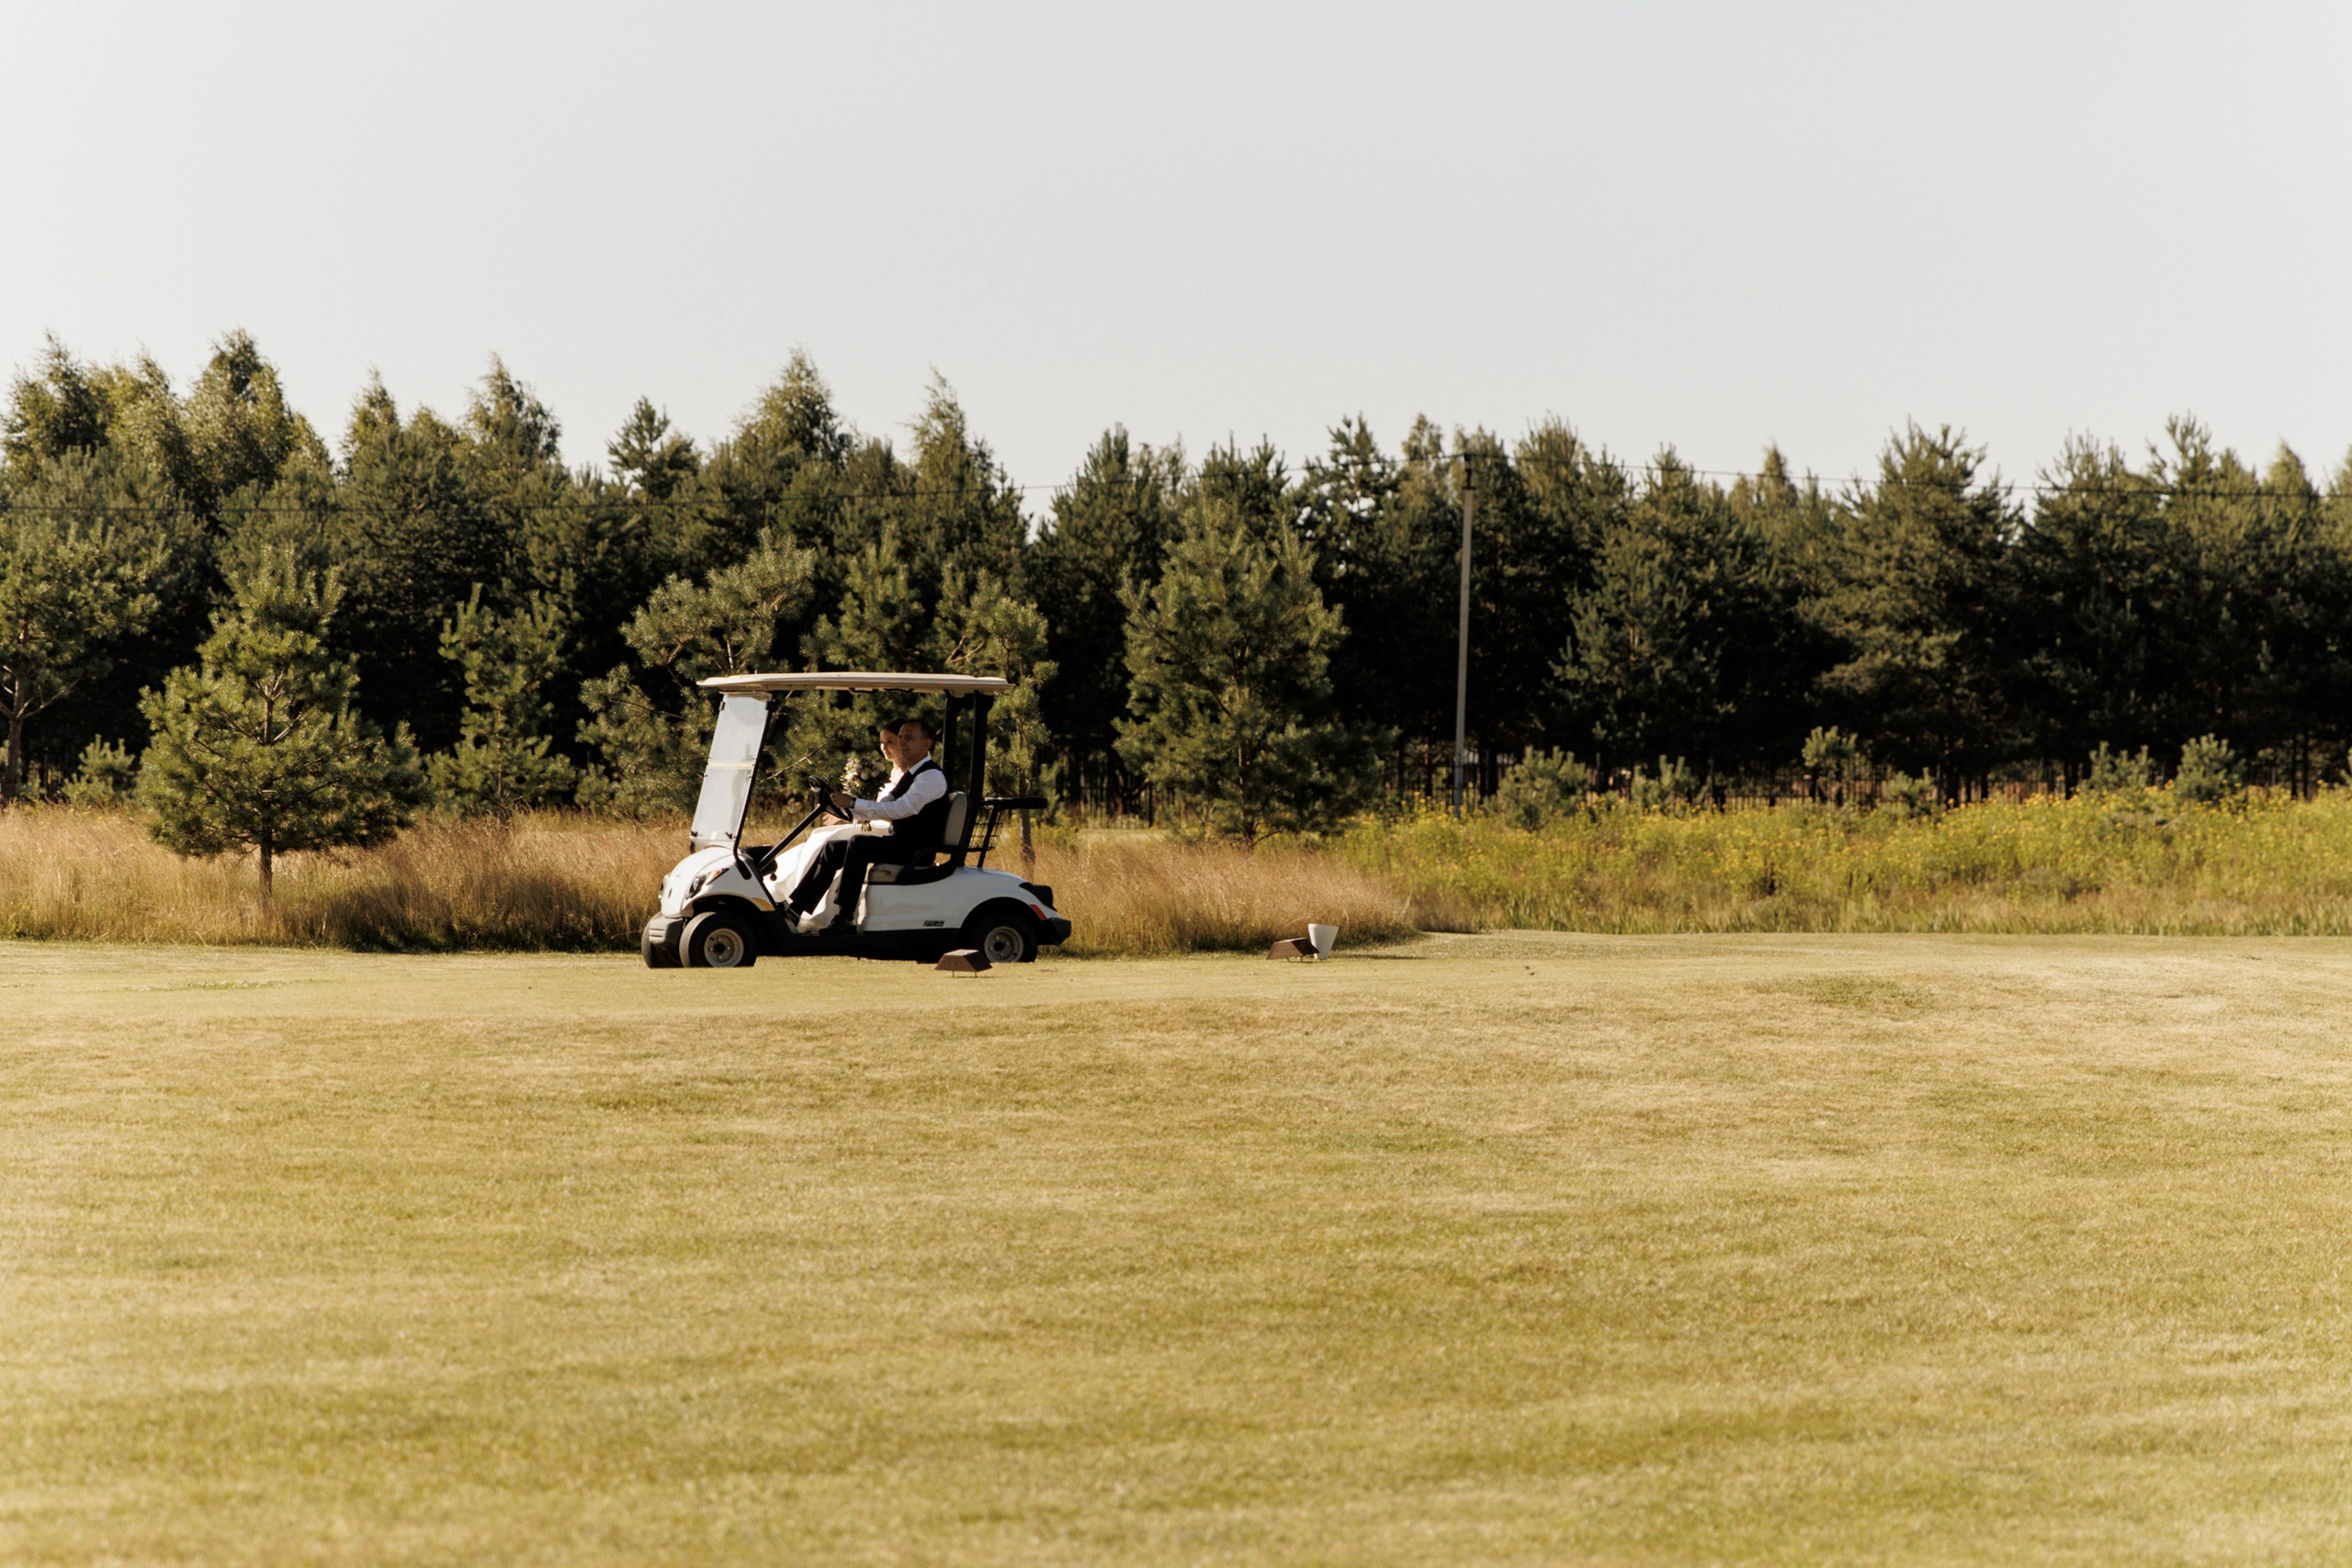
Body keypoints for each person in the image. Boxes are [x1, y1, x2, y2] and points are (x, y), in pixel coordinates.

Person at [784, 716, 950, 931]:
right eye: (900, 738)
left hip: (916, 850)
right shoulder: (912, 775)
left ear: (926, 743)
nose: (901, 743)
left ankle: (845, 916)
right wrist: (848, 809)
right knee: (833, 847)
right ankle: (795, 910)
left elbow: (900, 810)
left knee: (858, 843)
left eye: (908, 738)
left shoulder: (931, 777)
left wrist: (853, 802)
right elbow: (885, 804)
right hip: (901, 843)